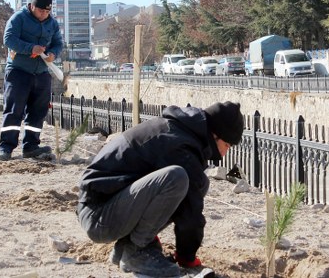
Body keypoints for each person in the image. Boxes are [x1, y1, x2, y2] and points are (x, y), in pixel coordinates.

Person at [77, 101, 244, 276]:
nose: (225, 153)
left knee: (197, 182)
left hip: (103, 209)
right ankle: (136, 252)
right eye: (227, 145)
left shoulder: (178, 131)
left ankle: (127, 248)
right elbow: (191, 212)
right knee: (176, 178)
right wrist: (187, 257)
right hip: (98, 216)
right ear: (215, 135)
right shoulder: (179, 145)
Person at [0, 0, 63, 161]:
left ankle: (31, 146)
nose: (44, 14)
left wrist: (54, 54)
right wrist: (30, 48)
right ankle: (6, 148)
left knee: (38, 111)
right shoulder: (18, 18)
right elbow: (8, 39)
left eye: (48, 11)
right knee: (14, 110)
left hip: (41, 73)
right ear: (32, 6)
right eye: (41, 10)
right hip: (19, 72)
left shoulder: (52, 23)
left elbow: (58, 43)